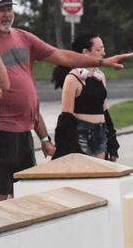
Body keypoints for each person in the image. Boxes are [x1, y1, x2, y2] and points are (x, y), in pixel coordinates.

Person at [0, 0, 133, 200]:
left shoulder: (23, 37)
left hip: (25, 130)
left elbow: (61, 55)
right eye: (0, 10)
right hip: (1, 130)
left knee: (25, 194)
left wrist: (101, 62)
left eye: (9, 9)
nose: (6, 14)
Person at [50, 33, 119, 161]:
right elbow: (66, 117)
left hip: (100, 133)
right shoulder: (73, 78)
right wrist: (65, 148)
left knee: (100, 175)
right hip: (81, 135)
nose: (103, 53)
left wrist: (112, 142)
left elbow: (104, 110)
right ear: (85, 52)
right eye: (98, 50)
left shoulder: (100, 76)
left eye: (103, 48)